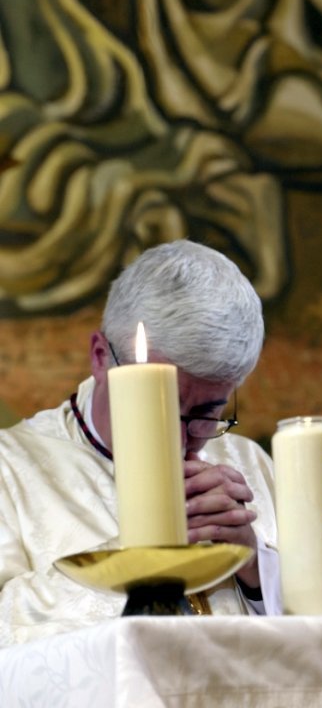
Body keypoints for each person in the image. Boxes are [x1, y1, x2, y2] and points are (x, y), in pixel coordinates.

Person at [0, 240, 281, 645]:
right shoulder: (11, 469)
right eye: (159, 405)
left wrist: (256, 566)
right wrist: (140, 551)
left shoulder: (248, 462)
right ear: (100, 357)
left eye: (207, 412)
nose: (182, 439)